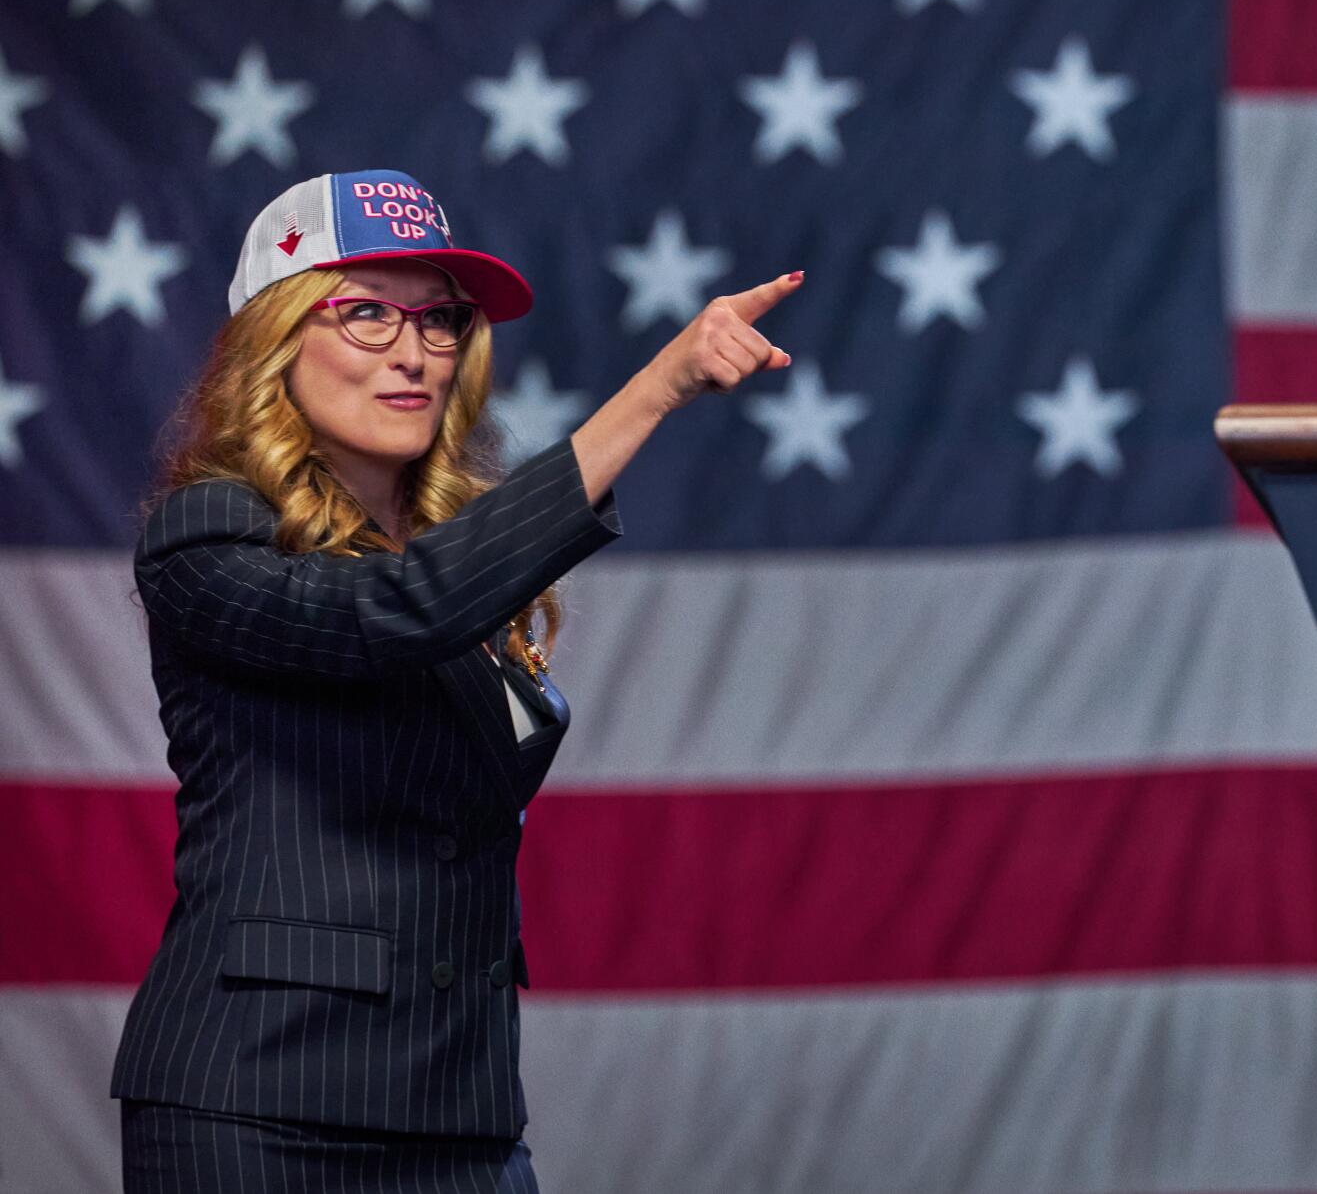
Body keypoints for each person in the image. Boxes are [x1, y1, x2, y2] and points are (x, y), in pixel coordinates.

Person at [110, 169, 801, 1191]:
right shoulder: (206, 533)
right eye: (364, 314)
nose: (411, 351)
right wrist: (656, 387)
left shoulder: (464, 555)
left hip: (460, 1111)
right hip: (256, 1107)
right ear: (276, 339)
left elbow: (428, 602)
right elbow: (387, 614)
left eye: (439, 320)